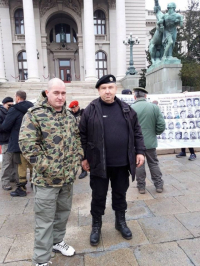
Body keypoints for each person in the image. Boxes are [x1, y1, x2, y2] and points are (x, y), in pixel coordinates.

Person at [19, 78, 84, 266]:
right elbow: (28, 146)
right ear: (47, 93)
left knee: (63, 214)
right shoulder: (34, 115)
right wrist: (49, 167)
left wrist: (77, 158)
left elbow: (77, 139)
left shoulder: (69, 116)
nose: (60, 97)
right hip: (46, 181)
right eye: (56, 93)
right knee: (44, 221)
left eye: (63, 93)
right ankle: (41, 260)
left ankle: (57, 242)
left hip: (67, 179)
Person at [79, 75, 145, 246]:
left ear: (115, 89)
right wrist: (84, 157)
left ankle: (120, 222)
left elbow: (137, 132)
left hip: (122, 164)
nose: (107, 91)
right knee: (98, 195)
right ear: (98, 90)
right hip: (98, 164)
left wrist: (140, 152)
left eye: (110, 87)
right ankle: (96, 226)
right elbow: (82, 136)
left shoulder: (126, 109)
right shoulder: (90, 109)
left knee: (120, 194)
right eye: (103, 88)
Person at [131, 87, 165, 194]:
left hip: (136, 144)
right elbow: (161, 124)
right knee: (154, 163)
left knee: (139, 164)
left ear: (135, 96)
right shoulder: (154, 107)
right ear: (145, 96)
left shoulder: (131, 108)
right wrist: (155, 133)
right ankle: (158, 185)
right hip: (150, 142)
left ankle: (141, 187)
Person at [0, 91, 33, 192]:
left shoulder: (14, 109)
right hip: (32, 140)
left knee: (20, 164)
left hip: (17, 141)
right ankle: (34, 183)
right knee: (32, 163)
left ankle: (21, 187)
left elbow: (5, 126)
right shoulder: (32, 107)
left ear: (17, 98)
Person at [68, 100, 87, 179]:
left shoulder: (83, 113)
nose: (73, 110)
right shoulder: (69, 114)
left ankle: (84, 170)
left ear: (77, 106)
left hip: (82, 136)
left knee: (83, 154)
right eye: (72, 108)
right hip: (73, 136)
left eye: (74, 108)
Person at [0, 97, 15, 190]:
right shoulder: (1, 112)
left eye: (12, 105)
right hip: (5, 140)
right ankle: (5, 182)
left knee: (13, 161)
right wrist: (8, 124)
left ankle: (12, 178)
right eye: (9, 105)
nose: (10, 107)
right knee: (6, 162)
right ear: (4, 104)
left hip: (12, 140)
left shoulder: (11, 112)